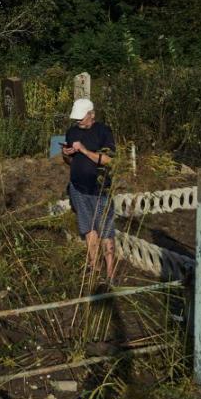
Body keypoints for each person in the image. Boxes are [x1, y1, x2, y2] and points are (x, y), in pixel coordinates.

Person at [62, 98, 117, 279]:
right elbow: (70, 161)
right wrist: (67, 154)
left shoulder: (103, 132)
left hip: (100, 189)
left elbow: (109, 160)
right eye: (76, 118)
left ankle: (110, 271)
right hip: (78, 187)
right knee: (88, 228)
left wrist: (84, 151)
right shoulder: (71, 132)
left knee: (106, 230)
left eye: (81, 118)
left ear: (91, 114)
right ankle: (95, 266)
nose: (78, 121)